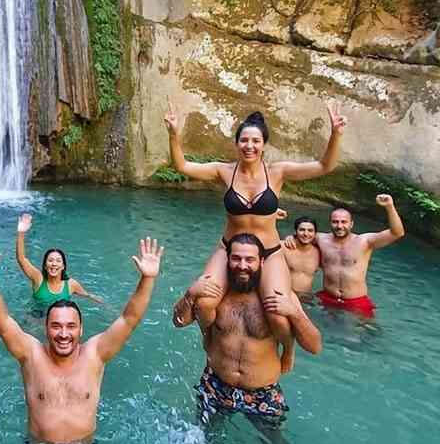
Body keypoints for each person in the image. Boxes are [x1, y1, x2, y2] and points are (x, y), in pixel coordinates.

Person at [0, 232, 163, 444]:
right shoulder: (31, 354)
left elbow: (128, 319)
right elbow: (2, 319)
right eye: (56, 326)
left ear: (81, 329)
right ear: (46, 328)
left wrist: (147, 279)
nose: (63, 333)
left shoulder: (95, 354)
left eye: (70, 326)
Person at [164, 102, 346, 367]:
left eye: (255, 141)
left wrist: (336, 134)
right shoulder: (223, 171)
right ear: (236, 144)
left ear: (264, 145)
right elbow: (182, 166)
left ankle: (288, 351)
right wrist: (173, 134)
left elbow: (324, 166)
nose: (249, 146)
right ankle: (208, 338)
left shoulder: (278, 172)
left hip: (269, 253)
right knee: (204, 302)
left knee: (277, 314)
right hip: (229, 249)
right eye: (244, 140)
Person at [172, 234, 322, 444]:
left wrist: (294, 314)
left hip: (262, 391)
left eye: (250, 260)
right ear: (228, 260)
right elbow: (178, 322)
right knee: (201, 442)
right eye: (236, 259)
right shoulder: (215, 293)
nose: (242, 266)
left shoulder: (279, 297)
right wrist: (190, 293)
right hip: (216, 385)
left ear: (261, 262)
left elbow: (315, 346)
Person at [285, 195, 405, 317]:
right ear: (330, 223)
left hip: (356, 300)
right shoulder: (321, 239)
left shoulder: (365, 241)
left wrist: (390, 206)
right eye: (335, 222)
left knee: (368, 333)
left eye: (344, 222)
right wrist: (291, 237)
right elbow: (304, 235)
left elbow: (397, 233)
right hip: (327, 298)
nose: (339, 226)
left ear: (351, 224)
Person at [15, 214, 102, 317]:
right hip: (37, 316)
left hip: (59, 319)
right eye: (50, 260)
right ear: (45, 266)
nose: (54, 264)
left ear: (63, 266)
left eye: (58, 261)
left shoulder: (71, 284)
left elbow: (87, 295)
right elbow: (21, 258)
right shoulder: (38, 278)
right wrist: (21, 232)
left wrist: (104, 305)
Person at [282, 216, 321, 302]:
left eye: (310, 230)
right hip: (286, 297)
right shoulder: (283, 247)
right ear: (295, 231)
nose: (306, 234)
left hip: (307, 298)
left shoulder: (319, 252)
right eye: (302, 230)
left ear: (315, 234)